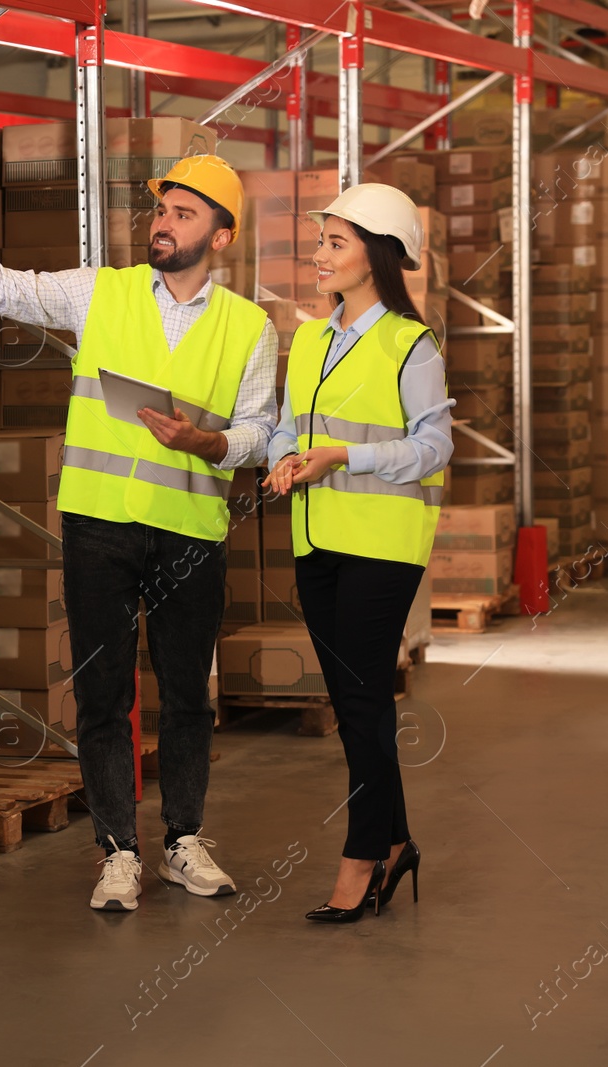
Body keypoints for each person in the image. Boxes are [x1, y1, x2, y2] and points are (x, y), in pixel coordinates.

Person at [0, 155, 278, 913]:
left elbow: (261, 427)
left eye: (185, 214)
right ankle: (118, 851)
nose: (163, 223)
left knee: (189, 695)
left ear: (221, 237)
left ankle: (183, 840)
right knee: (103, 693)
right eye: (162, 211)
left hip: (191, 532)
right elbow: (0, 284)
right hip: (98, 526)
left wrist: (207, 444)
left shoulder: (249, 328)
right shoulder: (105, 291)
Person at [262, 183, 453, 923]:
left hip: (382, 546)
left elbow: (434, 447)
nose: (320, 252)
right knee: (351, 703)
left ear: (375, 255)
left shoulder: (412, 342)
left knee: (366, 698)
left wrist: (345, 455)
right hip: (316, 539)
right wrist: (283, 457)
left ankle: (363, 855)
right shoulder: (308, 337)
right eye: (322, 240)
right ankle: (399, 840)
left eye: (336, 242)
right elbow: (288, 422)